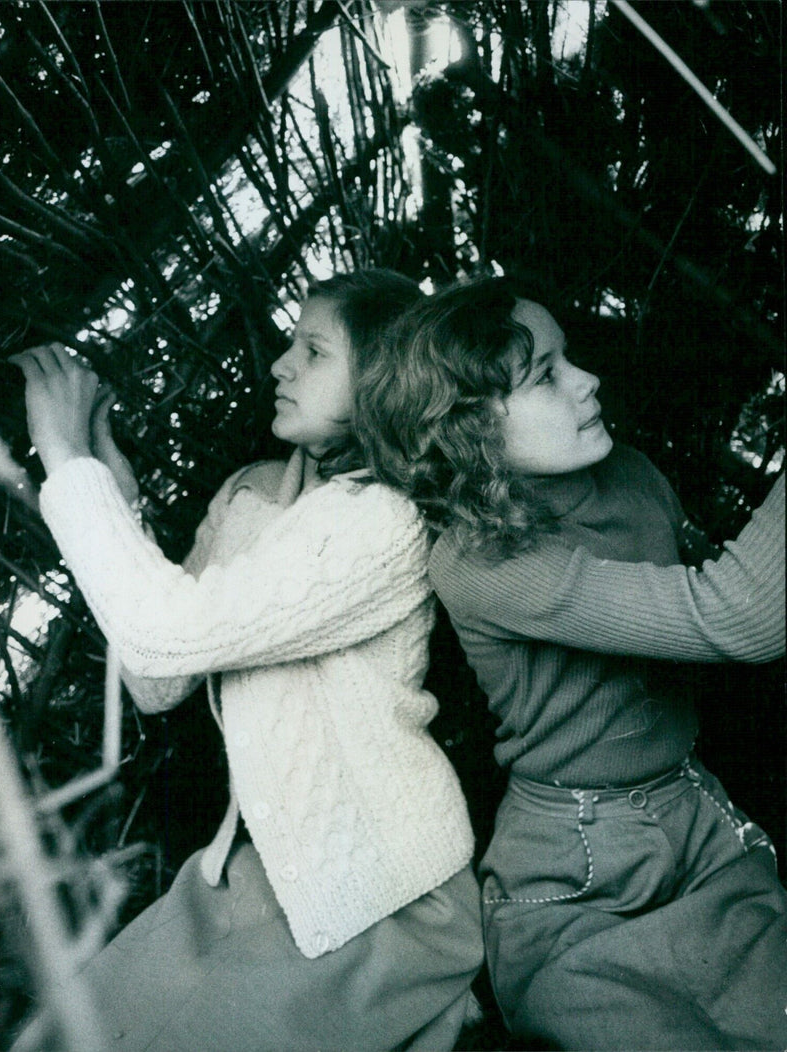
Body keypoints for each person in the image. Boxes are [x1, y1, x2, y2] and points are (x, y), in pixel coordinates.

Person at [10, 270, 483, 1052]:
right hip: (252, 870)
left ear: (384, 380)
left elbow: (165, 632)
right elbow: (157, 678)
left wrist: (63, 456)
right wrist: (106, 477)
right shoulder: (255, 499)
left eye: (313, 350)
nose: (279, 366)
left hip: (378, 897)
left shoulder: (385, 521)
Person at [356, 275, 786, 1051]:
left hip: (701, 823)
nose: (586, 381)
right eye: (545, 375)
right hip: (578, 876)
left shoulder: (632, 474)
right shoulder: (481, 561)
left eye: (569, 359)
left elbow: (711, 600)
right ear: (466, 428)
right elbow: (740, 615)